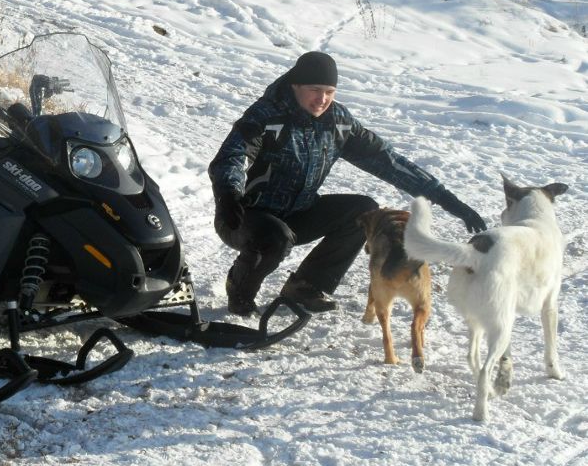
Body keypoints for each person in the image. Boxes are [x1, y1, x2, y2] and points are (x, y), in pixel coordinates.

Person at [208, 51, 486, 316]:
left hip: (299, 213)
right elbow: (232, 155)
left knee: (363, 211)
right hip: (243, 217)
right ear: (296, 86)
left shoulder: (338, 122)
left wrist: (448, 200)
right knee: (274, 236)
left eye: (329, 92)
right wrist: (228, 194)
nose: (322, 99)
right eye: (315, 90)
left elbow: (389, 161)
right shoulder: (266, 115)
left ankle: (305, 286)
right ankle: (240, 289)